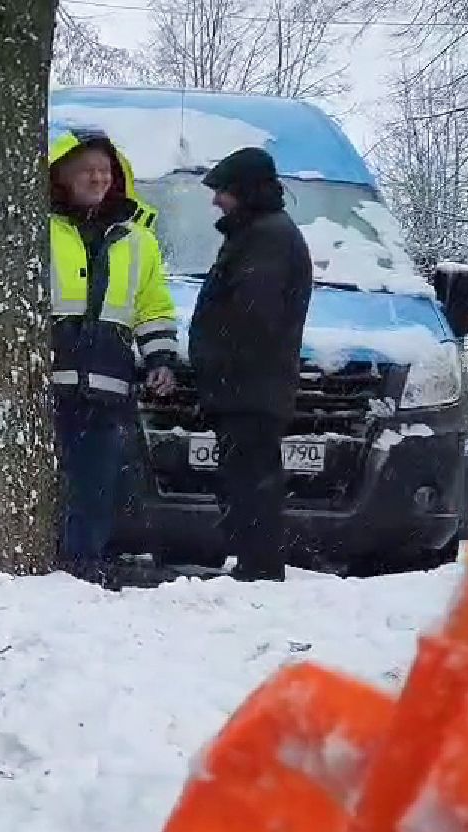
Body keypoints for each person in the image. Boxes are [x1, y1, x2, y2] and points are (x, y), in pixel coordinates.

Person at [47, 127, 181, 588]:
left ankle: (82, 567)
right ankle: (43, 567)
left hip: (107, 382)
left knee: (96, 485)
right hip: (43, 380)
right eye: (87, 170)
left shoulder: (138, 239)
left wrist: (160, 357)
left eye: (105, 170)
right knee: (48, 482)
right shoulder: (36, 227)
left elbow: (152, 305)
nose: (98, 178)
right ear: (61, 175)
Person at [189, 147, 314, 582]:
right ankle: (251, 561)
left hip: (249, 388)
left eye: (222, 191)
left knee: (251, 481)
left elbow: (251, 317)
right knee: (247, 478)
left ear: (243, 191)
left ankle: (257, 567)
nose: (215, 201)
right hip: (247, 387)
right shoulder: (260, 234)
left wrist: (213, 360)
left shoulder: (267, 238)